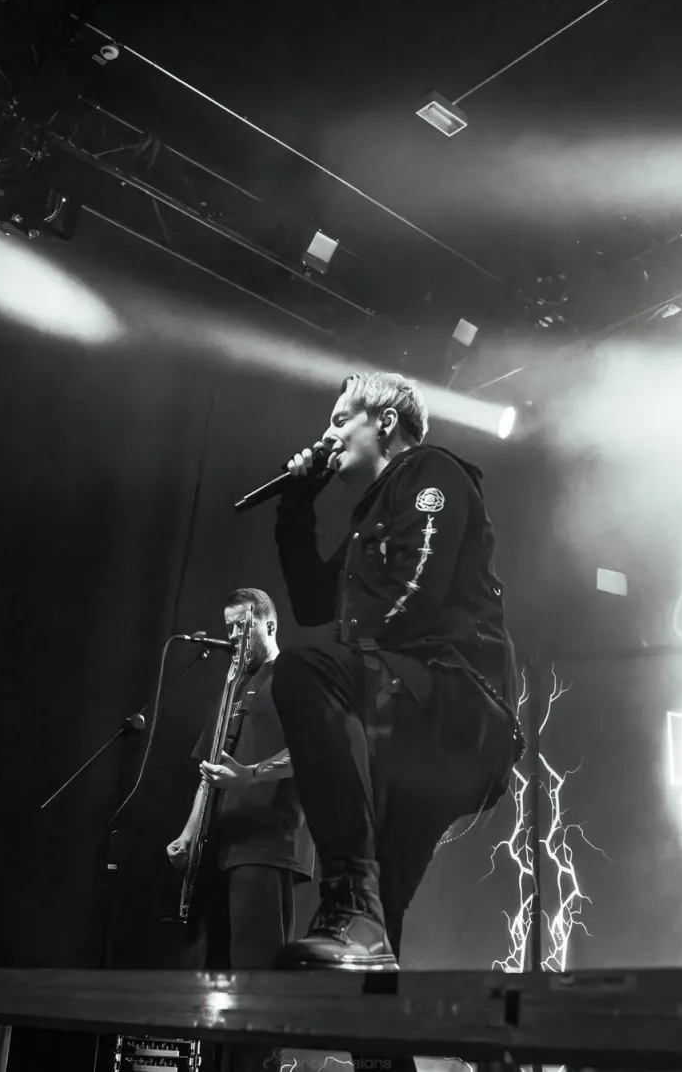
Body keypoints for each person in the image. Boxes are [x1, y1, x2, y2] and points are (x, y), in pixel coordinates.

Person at [269, 371, 523, 974]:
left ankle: (350, 903)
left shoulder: (431, 471)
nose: (327, 436)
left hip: (456, 700)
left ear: (385, 423)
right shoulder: (371, 519)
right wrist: (297, 504)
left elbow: (416, 592)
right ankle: (370, 955)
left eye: (339, 420)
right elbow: (311, 604)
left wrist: (349, 668)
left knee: (306, 668)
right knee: (380, 919)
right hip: (415, 711)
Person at [166, 587, 314, 970]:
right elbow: (209, 771)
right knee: (213, 973)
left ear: (270, 626)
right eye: (229, 627)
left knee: (256, 970)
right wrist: (188, 835)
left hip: (266, 843)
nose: (233, 636)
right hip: (219, 847)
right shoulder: (233, 686)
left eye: (242, 626)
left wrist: (249, 775)